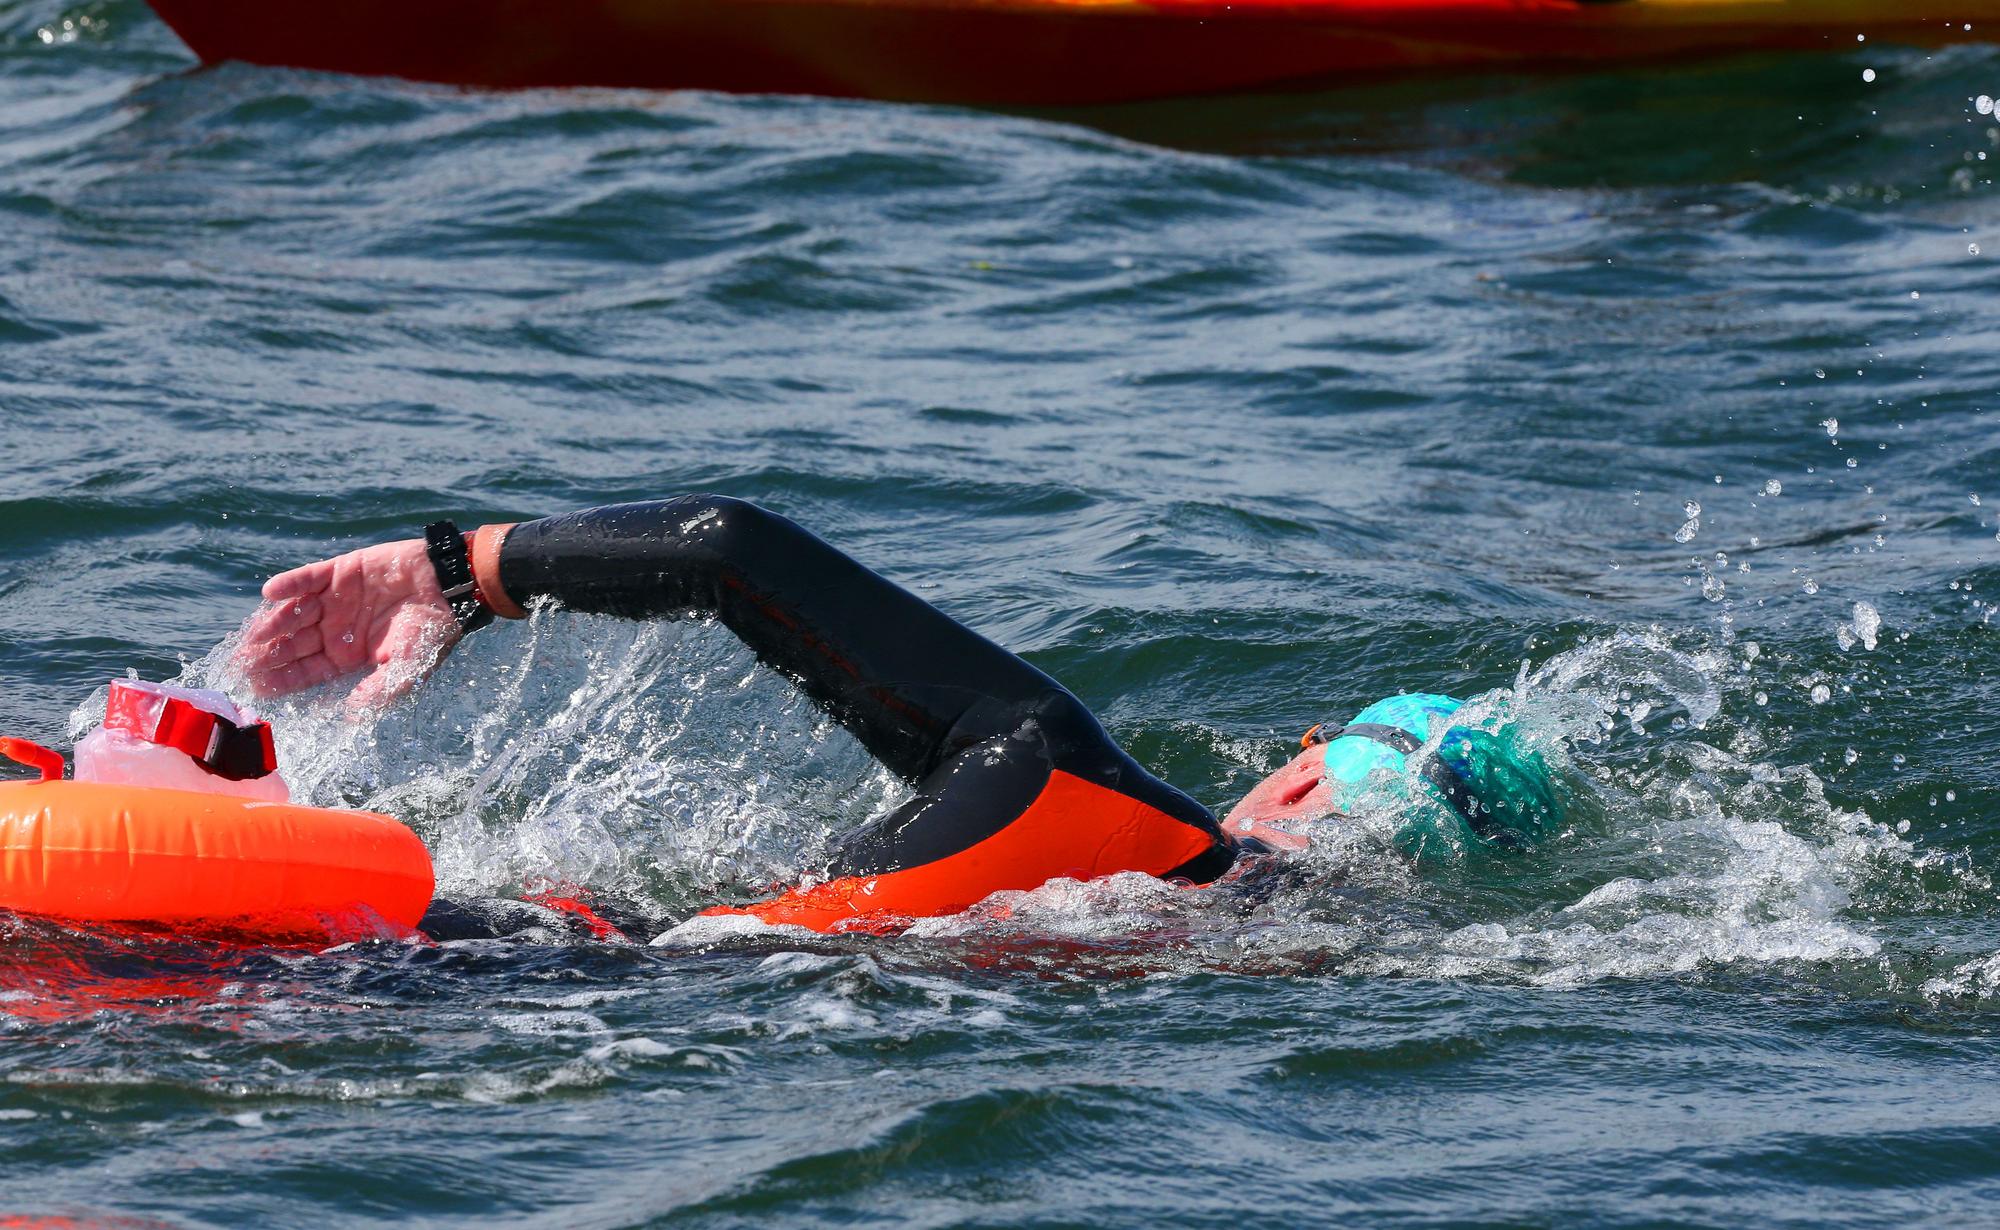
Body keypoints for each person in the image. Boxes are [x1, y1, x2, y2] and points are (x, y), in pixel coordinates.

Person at [237, 495, 1561, 935]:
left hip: (447, 969)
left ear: (1304, 782)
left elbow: (728, 548)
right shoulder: (1218, 955)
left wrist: (462, 573)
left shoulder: (1070, 775)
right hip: (576, 1022)